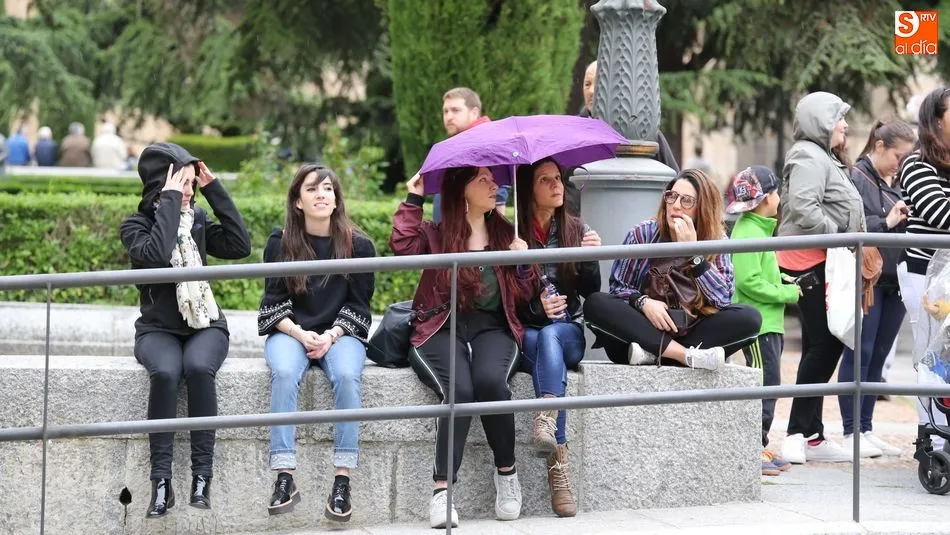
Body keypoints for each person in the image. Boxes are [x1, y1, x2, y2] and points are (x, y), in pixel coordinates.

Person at [390, 167, 536, 528]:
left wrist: (521, 264)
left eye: (493, 179)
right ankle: (443, 492)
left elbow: (525, 296)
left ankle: (507, 474)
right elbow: (402, 246)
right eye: (483, 180)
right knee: (459, 388)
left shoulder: (507, 234)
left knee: (489, 382)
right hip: (442, 325)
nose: (494, 186)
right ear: (462, 190)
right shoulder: (438, 235)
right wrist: (414, 197)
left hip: (493, 328)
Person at [119, 143, 251, 518]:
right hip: (157, 329)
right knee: (165, 371)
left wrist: (214, 188)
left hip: (205, 326)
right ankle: (161, 481)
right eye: (184, 183)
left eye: (192, 184)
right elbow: (158, 256)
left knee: (196, 368)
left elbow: (241, 245)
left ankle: (201, 477)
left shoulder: (197, 222)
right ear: (162, 184)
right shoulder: (135, 226)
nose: (190, 191)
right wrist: (170, 200)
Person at [258, 164, 376, 521]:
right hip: (291, 331)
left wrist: (330, 335)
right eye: (311, 189)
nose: (321, 194)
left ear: (337, 197)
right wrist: (298, 332)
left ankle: (342, 480)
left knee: (346, 376)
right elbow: (271, 304)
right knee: (282, 371)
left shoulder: (358, 245)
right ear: (297, 201)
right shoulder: (281, 243)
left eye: (327, 188)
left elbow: (360, 305)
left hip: (339, 333)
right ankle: (284, 475)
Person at [584, 169, 761, 370]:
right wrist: (643, 303)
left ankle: (655, 354)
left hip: (692, 332)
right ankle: (684, 356)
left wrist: (694, 254)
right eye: (672, 196)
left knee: (750, 318)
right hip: (642, 332)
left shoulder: (717, 241)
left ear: (702, 208)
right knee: (596, 303)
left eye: (686, 201)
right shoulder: (644, 234)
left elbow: (723, 300)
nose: (675, 206)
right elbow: (618, 288)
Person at [776, 91, 865, 465]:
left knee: (818, 342)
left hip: (817, 260)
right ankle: (796, 432)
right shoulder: (809, 156)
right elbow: (803, 207)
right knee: (826, 345)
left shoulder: (819, 156)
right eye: (839, 117)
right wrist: (839, 234)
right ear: (822, 122)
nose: (845, 123)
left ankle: (812, 434)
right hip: (807, 261)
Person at [515, 158, 601, 518]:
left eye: (559, 179)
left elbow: (591, 293)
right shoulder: (513, 235)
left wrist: (592, 258)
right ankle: (558, 464)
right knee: (539, 338)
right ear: (529, 190)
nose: (556, 186)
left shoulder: (576, 229)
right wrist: (535, 301)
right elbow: (508, 301)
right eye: (545, 180)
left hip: (568, 332)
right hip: (529, 332)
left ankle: (546, 417)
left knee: (550, 336)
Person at [837, 120, 916, 458]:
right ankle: (851, 430)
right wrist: (889, 220)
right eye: (899, 156)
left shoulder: (895, 182)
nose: (902, 164)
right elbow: (850, 224)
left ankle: (866, 427)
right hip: (868, 278)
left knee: (880, 355)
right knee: (861, 352)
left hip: (894, 277)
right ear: (880, 146)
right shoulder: (857, 177)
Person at [727, 166, 799, 476]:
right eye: (778, 192)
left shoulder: (758, 229)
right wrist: (787, 293)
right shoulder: (749, 231)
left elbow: (759, 273)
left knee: (770, 385)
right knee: (764, 386)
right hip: (759, 323)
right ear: (768, 197)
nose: (780, 198)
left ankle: (761, 443)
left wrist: (782, 279)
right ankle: (751, 447)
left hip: (769, 323)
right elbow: (749, 281)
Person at [898, 87, 950, 450]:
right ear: (935, 120)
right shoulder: (916, 164)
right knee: (929, 355)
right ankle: (929, 438)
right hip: (924, 274)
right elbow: (941, 215)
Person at [578, 61, 679, 172]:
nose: (591, 91)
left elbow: (675, 180)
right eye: (587, 84)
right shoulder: (574, 132)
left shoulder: (643, 132)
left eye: (599, 83)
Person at [433, 88, 509, 222]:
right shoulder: (460, 142)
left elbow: (499, 191)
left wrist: (497, 236)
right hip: (452, 233)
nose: (449, 116)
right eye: (446, 111)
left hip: (469, 235)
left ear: (474, 113)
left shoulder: (486, 140)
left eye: (456, 110)